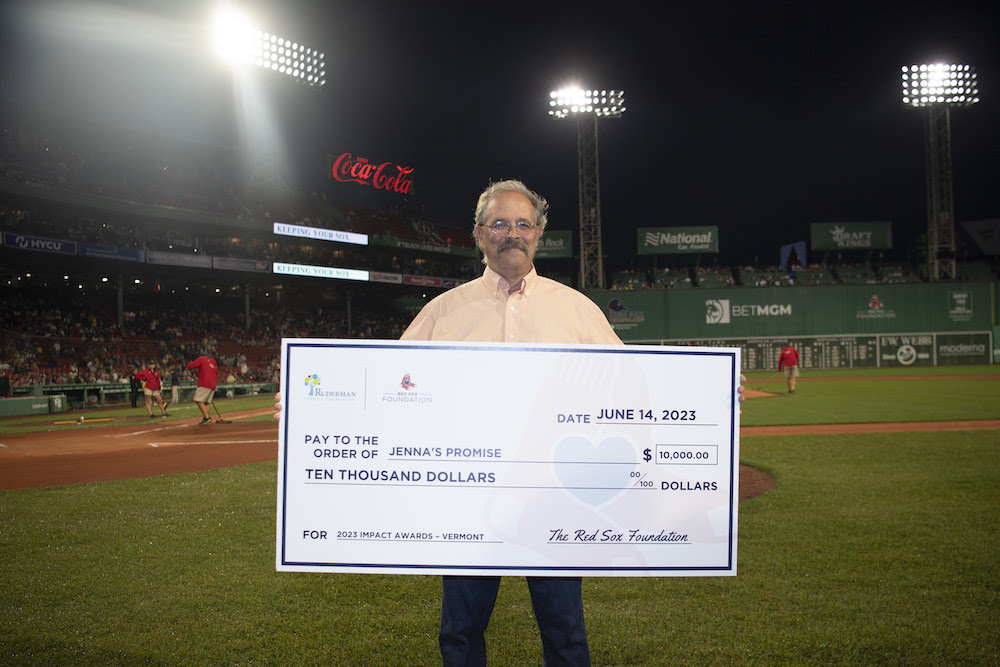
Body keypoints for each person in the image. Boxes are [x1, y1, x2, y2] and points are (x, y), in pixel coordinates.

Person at [274, 180, 745, 665]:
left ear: (539, 234)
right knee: (459, 632)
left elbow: (631, 389)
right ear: (479, 235)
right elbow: (390, 392)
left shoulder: (577, 310)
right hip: (467, 499)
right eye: (499, 224)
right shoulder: (442, 313)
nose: (511, 234)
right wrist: (311, 411)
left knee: (565, 632)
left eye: (522, 224)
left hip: (555, 499)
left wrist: (711, 396)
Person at [187, 354, 219, 426]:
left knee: (198, 400)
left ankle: (207, 418)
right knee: (207, 402)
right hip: (213, 384)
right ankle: (205, 418)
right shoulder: (213, 362)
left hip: (205, 383)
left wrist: (192, 362)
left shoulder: (201, 359)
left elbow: (190, 366)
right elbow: (216, 372)